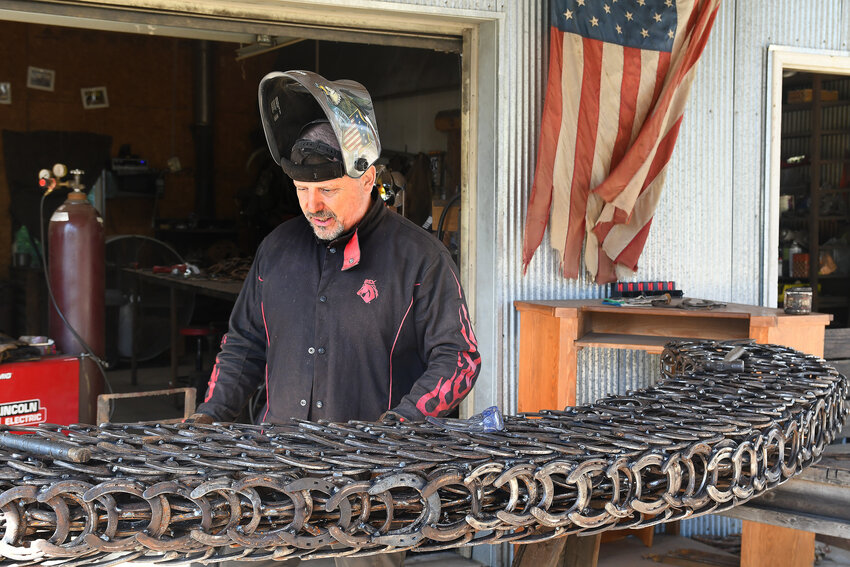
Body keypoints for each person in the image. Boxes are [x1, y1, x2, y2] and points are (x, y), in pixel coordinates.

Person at [189, 70, 481, 567]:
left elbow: (460, 358)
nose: (311, 205)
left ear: (368, 176)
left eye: (327, 189)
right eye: (302, 189)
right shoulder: (276, 250)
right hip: (270, 480)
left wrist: (401, 428)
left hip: (367, 493)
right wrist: (208, 418)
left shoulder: (420, 258)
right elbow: (242, 345)